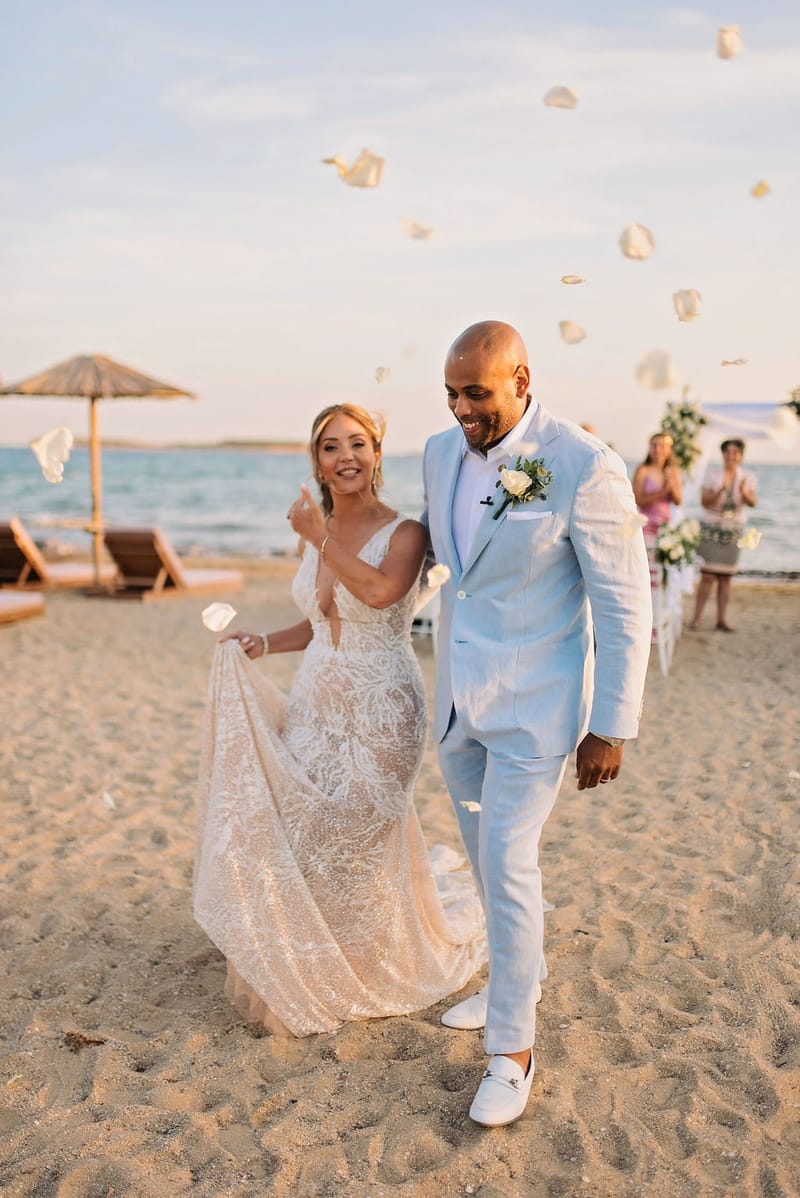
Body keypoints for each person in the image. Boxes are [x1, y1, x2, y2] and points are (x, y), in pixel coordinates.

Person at [422, 320, 652, 1127]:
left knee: (509, 862)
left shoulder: (584, 464)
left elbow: (624, 605)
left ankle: (513, 1051)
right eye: (451, 394)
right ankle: (511, 981)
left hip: (536, 713)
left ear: (522, 380)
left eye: (476, 393)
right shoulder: (438, 453)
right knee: (486, 864)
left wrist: (611, 725)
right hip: (458, 707)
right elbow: (451, 571)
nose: (461, 409)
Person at [194, 403, 486, 1037]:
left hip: (381, 706)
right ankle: (316, 958)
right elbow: (322, 619)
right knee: (309, 831)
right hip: (315, 703)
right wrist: (263, 643)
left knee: (360, 834)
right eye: (331, 446)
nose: (346, 455)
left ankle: (373, 963)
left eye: (358, 443)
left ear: (377, 454)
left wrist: (317, 536)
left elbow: (378, 594)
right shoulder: (320, 528)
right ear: (318, 462)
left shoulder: (405, 531)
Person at [689, 438, 756, 632]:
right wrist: (719, 491)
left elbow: (752, 502)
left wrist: (743, 491)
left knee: (726, 578)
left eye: (735, 452)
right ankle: (697, 618)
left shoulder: (747, 477)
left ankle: (721, 619)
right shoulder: (713, 475)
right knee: (707, 576)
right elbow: (704, 501)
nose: (731, 456)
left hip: (733, 531)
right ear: (723, 454)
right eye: (727, 452)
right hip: (711, 528)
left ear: (741, 456)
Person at [632, 432, 683, 537]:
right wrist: (662, 492)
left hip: (665, 527)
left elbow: (678, 501)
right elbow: (637, 501)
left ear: (669, 450)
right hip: (646, 524)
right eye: (654, 445)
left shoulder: (674, 471)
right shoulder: (642, 470)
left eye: (662, 446)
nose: (657, 449)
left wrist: (671, 485)